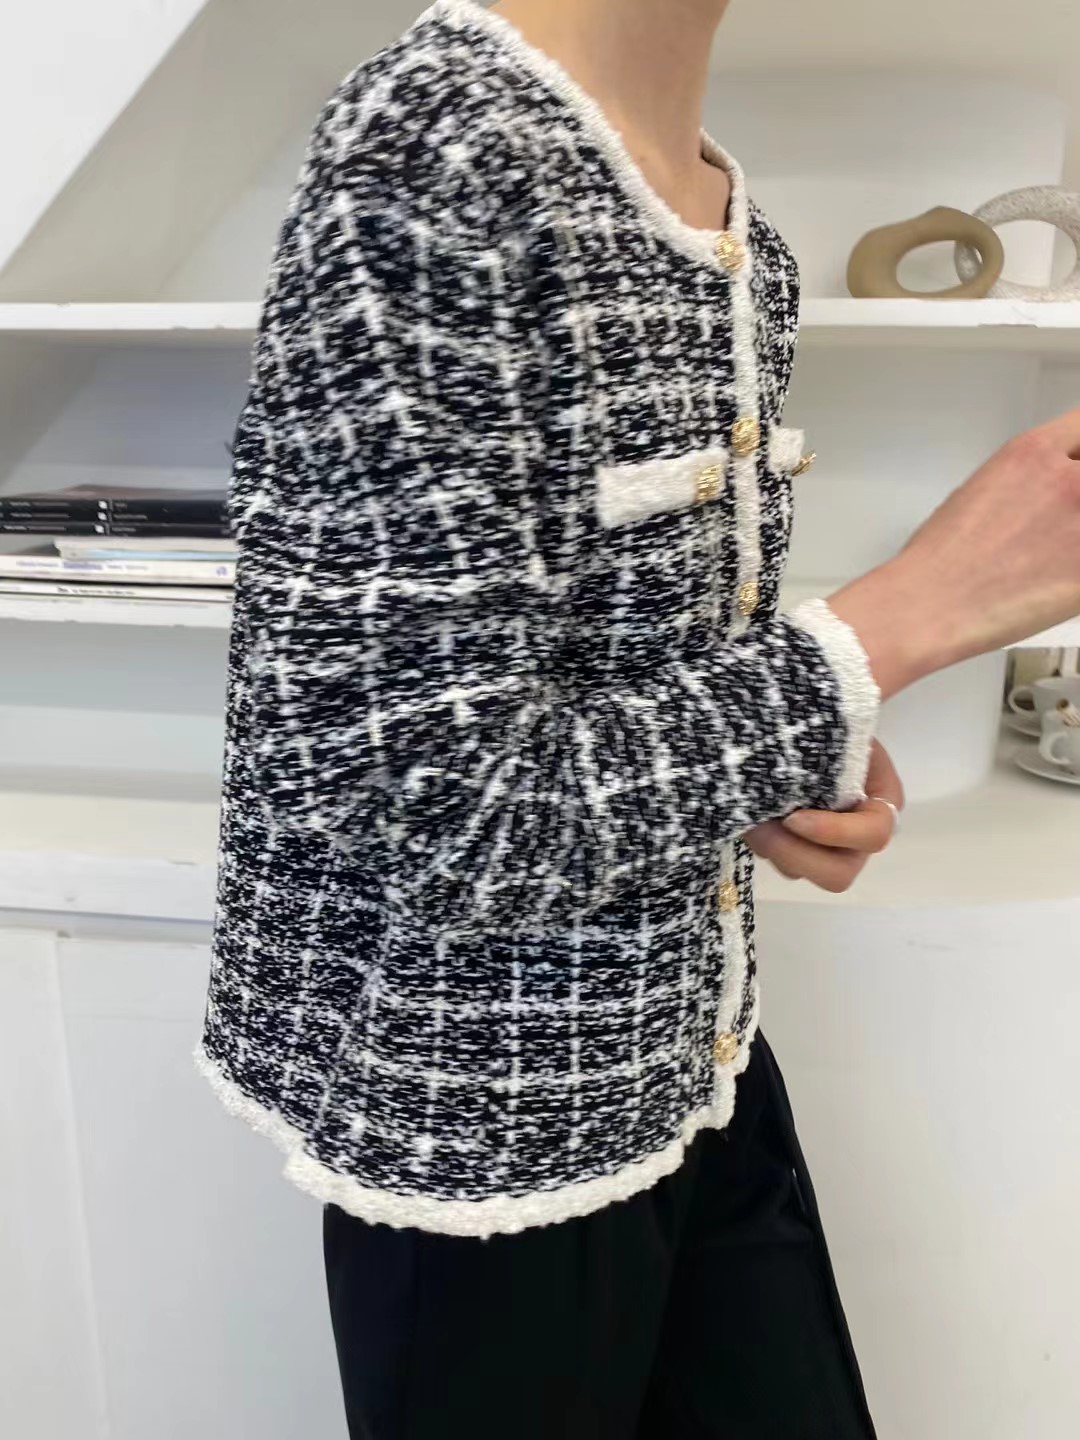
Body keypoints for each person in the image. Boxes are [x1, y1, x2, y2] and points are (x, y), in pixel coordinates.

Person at [197, 1, 1080, 1435]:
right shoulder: (435, 149)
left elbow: (603, 689)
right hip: (479, 1125)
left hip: (695, 1052)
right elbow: (440, 812)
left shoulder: (741, 234)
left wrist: (793, 748)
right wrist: (906, 617)